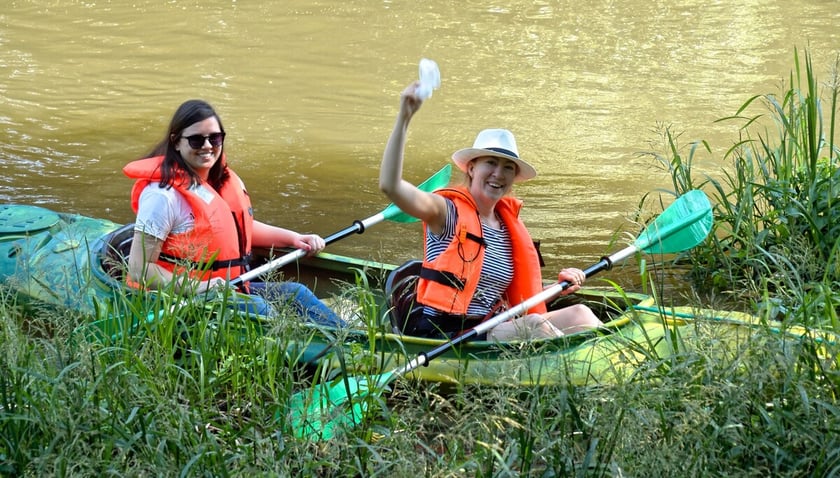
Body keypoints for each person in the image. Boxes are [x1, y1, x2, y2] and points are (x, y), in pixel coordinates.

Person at [379, 82, 602, 341]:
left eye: (508, 167)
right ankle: (571, 373)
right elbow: (390, 186)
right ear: (472, 168)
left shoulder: (506, 226)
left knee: (581, 314)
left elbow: (501, 292)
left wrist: (556, 289)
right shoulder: (445, 212)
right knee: (535, 326)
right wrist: (403, 118)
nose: (499, 173)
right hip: (445, 332)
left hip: (491, 324)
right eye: (491, 163)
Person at [123, 99, 344, 327]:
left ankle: (350, 340)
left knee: (295, 292)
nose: (208, 146)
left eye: (215, 138)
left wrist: (294, 238)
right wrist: (200, 287)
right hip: (186, 296)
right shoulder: (162, 196)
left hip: (232, 286)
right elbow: (140, 269)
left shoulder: (215, 180)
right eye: (197, 139)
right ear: (176, 142)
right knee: (263, 310)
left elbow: (239, 228)